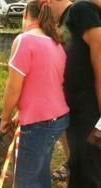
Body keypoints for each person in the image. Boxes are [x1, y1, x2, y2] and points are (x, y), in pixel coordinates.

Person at [0, 1, 69, 187]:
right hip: (58, 118)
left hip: (38, 123)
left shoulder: (26, 40)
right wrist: (20, 111)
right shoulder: (55, 42)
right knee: (40, 171)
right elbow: (42, 84)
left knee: (25, 179)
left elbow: (13, 87)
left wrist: (4, 117)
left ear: (25, 14)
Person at [47, 0, 101, 187]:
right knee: (77, 162)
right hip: (75, 105)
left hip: (90, 103)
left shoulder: (81, 9)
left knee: (90, 166)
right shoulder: (65, 20)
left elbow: (99, 51)